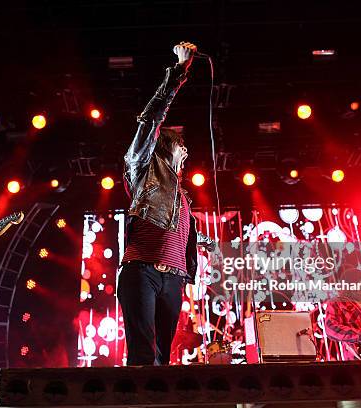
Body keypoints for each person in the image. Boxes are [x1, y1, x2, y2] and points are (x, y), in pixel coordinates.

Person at [117, 41, 215, 366]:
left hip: (172, 278)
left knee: (163, 359)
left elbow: (169, 227)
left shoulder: (182, 196)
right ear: (164, 146)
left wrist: (200, 241)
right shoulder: (142, 170)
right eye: (180, 146)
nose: (186, 153)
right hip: (141, 272)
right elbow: (150, 121)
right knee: (143, 355)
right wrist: (178, 74)